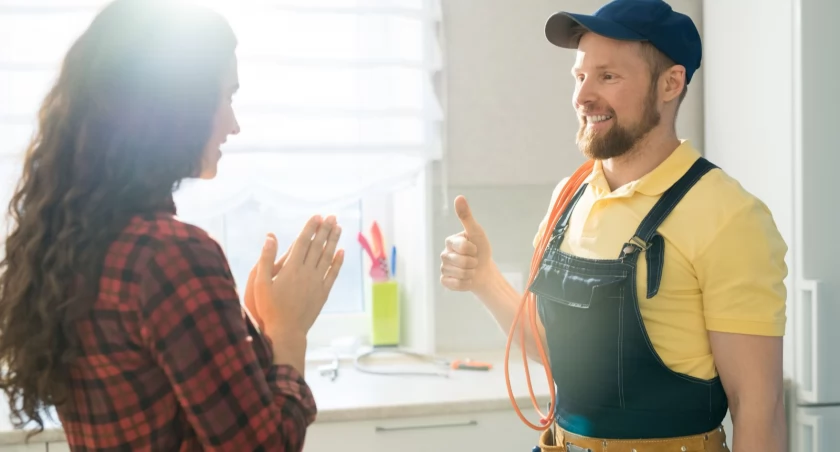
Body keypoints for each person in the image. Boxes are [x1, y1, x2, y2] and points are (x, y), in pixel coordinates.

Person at [440, 0, 788, 451]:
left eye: (608, 76)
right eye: (580, 76)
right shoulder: (570, 196)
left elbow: (758, 408)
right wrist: (484, 278)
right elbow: (553, 350)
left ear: (670, 83)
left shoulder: (730, 217)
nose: (583, 96)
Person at [0, 0, 345, 449]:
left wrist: (257, 329)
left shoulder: (78, 243)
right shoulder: (170, 256)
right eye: (225, 97)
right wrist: (288, 332)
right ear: (173, 106)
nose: (233, 124)